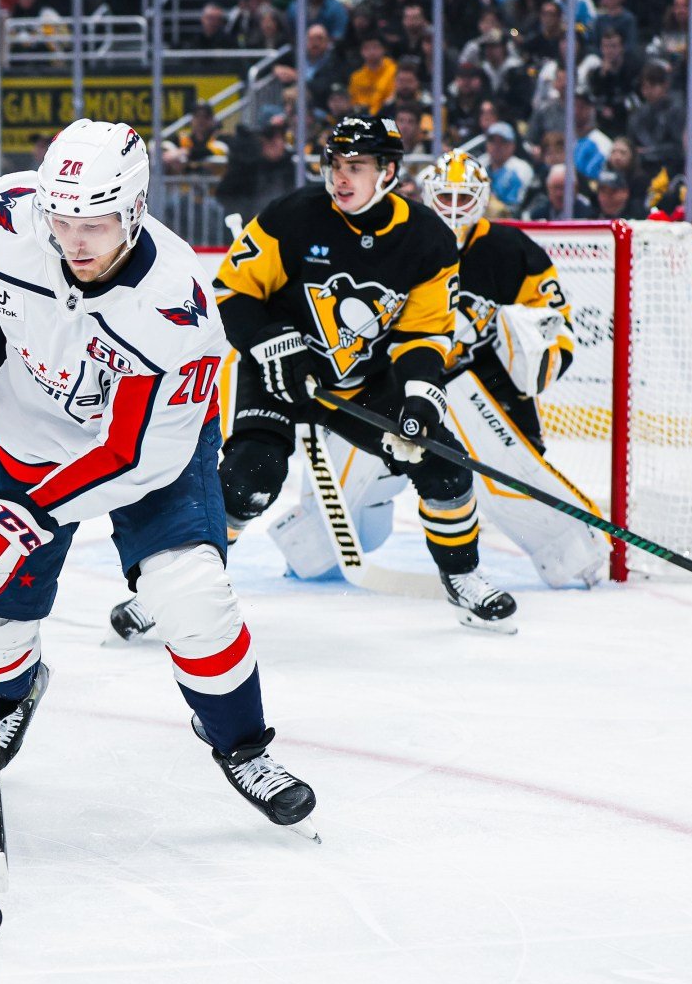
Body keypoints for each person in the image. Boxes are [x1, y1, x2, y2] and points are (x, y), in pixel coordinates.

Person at [0, 118, 318, 837]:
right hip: (31, 432)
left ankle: (244, 747)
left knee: (189, 594)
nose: (74, 241)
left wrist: (19, 516)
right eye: (61, 220)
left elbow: (129, 455)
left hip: (151, 451)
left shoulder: (177, 305)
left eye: (94, 222)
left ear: (134, 209)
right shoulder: (12, 214)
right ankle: (15, 691)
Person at [211, 116, 518, 631]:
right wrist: (275, 347)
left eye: (356, 167)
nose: (341, 178)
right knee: (249, 479)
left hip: (363, 384)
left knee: (443, 465)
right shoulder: (294, 216)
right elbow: (231, 292)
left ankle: (463, 577)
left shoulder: (427, 239)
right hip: (280, 373)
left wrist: (421, 400)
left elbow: (423, 335)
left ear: (390, 172)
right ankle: (181, 588)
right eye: (335, 165)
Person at [418, 151, 575, 455]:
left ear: (482, 199)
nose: (452, 209)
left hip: (491, 376)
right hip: (421, 372)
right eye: (444, 197)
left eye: (462, 198)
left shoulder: (511, 249)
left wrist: (546, 355)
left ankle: (522, 455)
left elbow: (556, 319)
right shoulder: (409, 243)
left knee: (524, 457)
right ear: (428, 197)